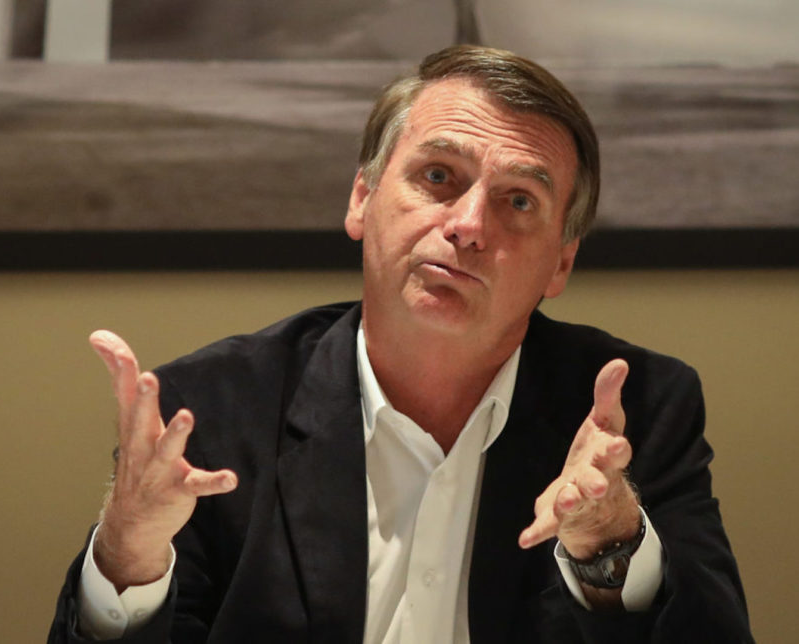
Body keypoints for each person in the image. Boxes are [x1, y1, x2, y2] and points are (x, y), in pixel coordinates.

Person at [49, 45, 752, 643]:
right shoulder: (211, 411)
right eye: (438, 176)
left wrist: (610, 546)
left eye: (518, 201)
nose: (469, 226)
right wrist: (127, 558)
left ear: (561, 263)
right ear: (363, 197)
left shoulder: (636, 414)